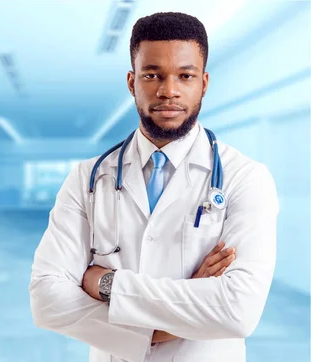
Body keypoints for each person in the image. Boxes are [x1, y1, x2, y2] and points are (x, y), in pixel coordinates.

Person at [29, 12, 278, 362]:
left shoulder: (246, 178)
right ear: (132, 82)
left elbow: (238, 310)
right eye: (152, 75)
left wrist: (104, 284)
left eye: (185, 76)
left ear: (204, 83)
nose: (168, 90)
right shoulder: (88, 179)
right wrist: (174, 318)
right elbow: (46, 299)